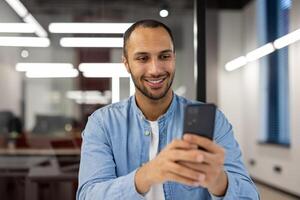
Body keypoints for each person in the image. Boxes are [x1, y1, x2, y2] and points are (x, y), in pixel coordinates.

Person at [76, 19, 259, 200]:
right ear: (126, 64)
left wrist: (218, 180)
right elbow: (88, 196)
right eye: (142, 58)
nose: (155, 69)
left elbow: (250, 197)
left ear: (174, 58)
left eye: (164, 56)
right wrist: (148, 173)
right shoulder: (102, 123)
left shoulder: (214, 121)